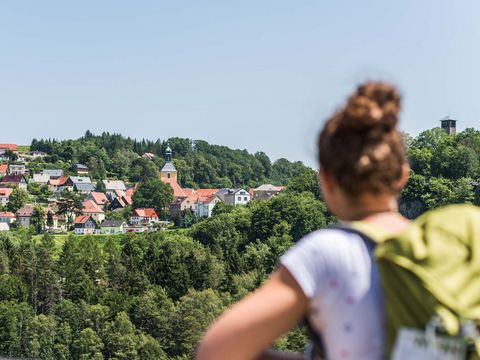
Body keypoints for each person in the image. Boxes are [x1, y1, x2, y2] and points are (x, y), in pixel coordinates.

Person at [196, 81, 411, 360]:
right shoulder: (449, 248)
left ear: (326, 180)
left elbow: (217, 351)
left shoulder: (329, 253)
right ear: (402, 175)